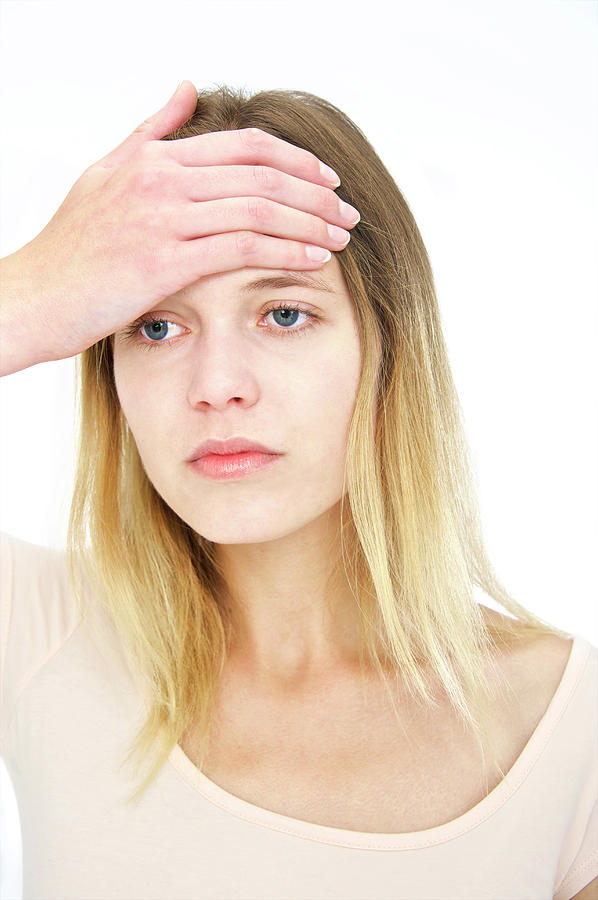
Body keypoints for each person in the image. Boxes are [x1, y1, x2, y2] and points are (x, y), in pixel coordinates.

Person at [0, 79, 596, 900]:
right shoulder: (39, 633)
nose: (216, 386)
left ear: (388, 352)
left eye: (283, 314)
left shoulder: (572, 731)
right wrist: (27, 292)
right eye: (157, 326)